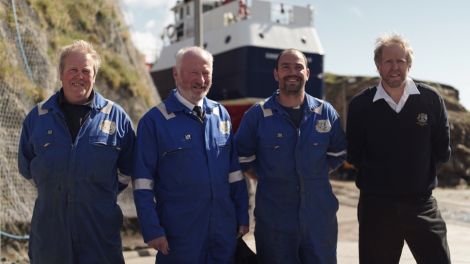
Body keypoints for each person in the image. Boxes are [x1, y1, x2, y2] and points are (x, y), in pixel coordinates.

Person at [17, 40, 135, 263]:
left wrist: (97, 193)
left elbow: (128, 170)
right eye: (72, 70)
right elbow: (27, 168)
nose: (79, 76)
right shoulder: (37, 118)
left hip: (99, 241)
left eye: (85, 71)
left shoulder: (116, 118)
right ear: (61, 74)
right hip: (50, 243)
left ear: (94, 76)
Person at [132, 46, 249, 263]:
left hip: (223, 233)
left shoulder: (220, 115)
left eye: (206, 73)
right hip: (179, 237)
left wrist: (242, 215)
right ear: (176, 74)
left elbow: (234, 173)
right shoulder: (154, 122)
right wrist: (152, 229)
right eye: (193, 72)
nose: (201, 79)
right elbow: (142, 183)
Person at [346, 33, 451, 264]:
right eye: (388, 61)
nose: (395, 67)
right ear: (378, 66)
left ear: (409, 64)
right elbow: (354, 154)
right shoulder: (360, 105)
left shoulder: (430, 99)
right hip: (376, 208)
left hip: (421, 204)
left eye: (400, 61)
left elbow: (442, 150)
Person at [235, 48, 347, 263]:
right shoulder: (257, 115)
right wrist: (269, 177)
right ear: (276, 73)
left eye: (298, 67)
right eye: (285, 67)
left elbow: (337, 154)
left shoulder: (326, 112)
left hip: (319, 221)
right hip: (274, 224)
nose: (292, 72)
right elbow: (243, 159)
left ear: (307, 73)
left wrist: (313, 173)